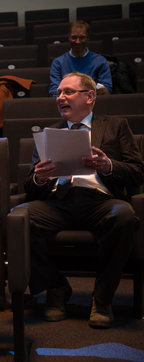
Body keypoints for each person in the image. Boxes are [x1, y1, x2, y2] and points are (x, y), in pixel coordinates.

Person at [18, 72, 144, 329]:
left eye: (67, 92)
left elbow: (137, 171)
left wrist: (107, 165)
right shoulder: (49, 134)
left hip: (100, 200)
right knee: (19, 218)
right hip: (59, 200)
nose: (60, 97)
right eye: (58, 93)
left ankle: (103, 299)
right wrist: (41, 178)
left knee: (124, 216)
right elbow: (30, 184)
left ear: (89, 97)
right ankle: (56, 288)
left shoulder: (115, 125)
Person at [49, 20, 112, 96]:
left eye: (82, 38)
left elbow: (106, 90)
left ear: (88, 38)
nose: (77, 42)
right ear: (69, 37)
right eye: (74, 37)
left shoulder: (100, 61)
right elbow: (54, 91)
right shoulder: (58, 63)